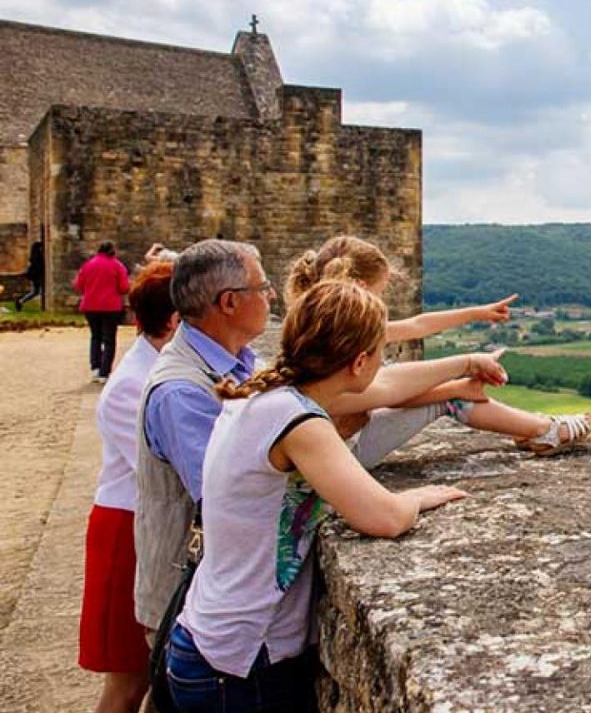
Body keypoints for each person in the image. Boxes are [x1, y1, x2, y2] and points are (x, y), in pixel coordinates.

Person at [134, 240, 504, 630]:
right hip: (202, 607)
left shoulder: (243, 368)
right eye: (261, 288)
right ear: (228, 302)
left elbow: (380, 387)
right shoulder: (184, 392)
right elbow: (223, 499)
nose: (273, 295)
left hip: (220, 614)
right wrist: (402, 497)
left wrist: (459, 370)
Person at [165, 279, 468, 711]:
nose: (383, 363)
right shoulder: (297, 421)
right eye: (381, 351)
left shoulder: (265, 395)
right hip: (241, 661)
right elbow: (384, 517)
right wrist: (417, 498)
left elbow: (389, 390)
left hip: (214, 642)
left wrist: (465, 365)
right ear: (360, 362)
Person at [285, 235, 591, 461]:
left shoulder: (317, 328)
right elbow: (383, 393)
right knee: (444, 400)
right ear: (362, 290)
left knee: (442, 392)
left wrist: (477, 313)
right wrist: (462, 375)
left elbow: (416, 328)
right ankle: (545, 430)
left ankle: (540, 429)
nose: (382, 302)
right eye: (381, 293)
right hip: (336, 457)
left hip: (332, 445)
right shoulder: (339, 344)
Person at [78, 261, 177, 713]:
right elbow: (160, 471)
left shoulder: (156, 369)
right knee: (127, 681)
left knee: (158, 675)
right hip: (126, 531)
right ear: (174, 321)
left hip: (149, 528)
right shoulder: (131, 386)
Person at [74, 241, 130, 381]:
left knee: (96, 337)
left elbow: (78, 285)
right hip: (111, 306)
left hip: (90, 305)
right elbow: (124, 287)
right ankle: (104, 372)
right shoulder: (117, 265)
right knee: (109, 339)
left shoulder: (88, 265)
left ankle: (95, 367)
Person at [13, 239, 43, 311]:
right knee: (36, 292)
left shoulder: (34, 255)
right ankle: (20, 300)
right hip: (36, 276)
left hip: (34, 276)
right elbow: (38, 266)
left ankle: (20, 300)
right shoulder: (37, 256)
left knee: (35, 291)